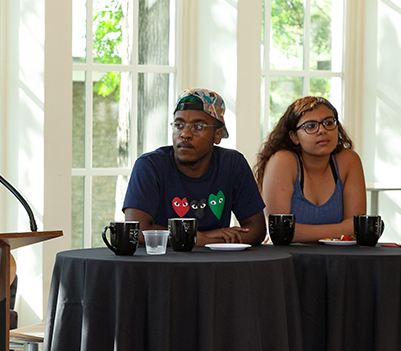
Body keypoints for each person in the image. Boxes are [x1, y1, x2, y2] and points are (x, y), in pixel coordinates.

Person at [123, 88, 266, 246]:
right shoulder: (150, 166)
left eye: (198, 127)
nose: (185, 134)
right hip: (163, 265)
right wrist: (201, 238)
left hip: (216, 266)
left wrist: (208, 240)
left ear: (217, 135)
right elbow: (135, 231)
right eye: (179, 125)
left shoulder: (232, 164)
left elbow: (257, 229)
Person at [254, 96, 366, 242]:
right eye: (311, 126)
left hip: (337, 259)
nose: (322, 130)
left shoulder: (349, 160)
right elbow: (279, 230)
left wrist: (297, 231)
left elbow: (357, 227)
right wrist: (340, 229)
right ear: (294, 137)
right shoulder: (282, 160)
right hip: (287, 260)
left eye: (328, 123)